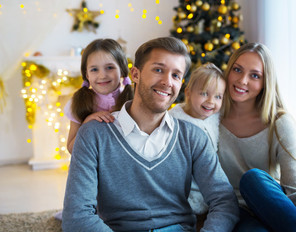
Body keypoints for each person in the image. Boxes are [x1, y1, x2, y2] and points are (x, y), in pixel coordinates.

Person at [62, 37, 239, 232]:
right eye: (158, 70)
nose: (167, 82)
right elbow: (76, 216)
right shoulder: (93, 134)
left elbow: (224, 202)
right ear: (135, 74)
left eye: (176, 75)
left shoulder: (193, 138)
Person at [218, 42, 296, 232]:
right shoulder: (210, 119)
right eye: (237, 70)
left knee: (252, 178)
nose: (242, 80)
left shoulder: (280, 123)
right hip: (236, 211)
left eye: (254, 75)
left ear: (265, 82)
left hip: (271, 203)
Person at [169, 63, 226, 217]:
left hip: (208, 189)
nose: (211, 101)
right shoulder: (175, 120)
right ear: (188, 92)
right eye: (204, 93)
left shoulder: (215, 117)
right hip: (183, 193)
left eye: (218, 96)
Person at [64, 38, 134, 153]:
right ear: (87, 74)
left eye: (109, 67)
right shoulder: (78, 102)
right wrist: (87, 123)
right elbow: (72, 149)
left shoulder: (133, 100)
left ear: (121, 70)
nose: (102, 75)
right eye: (94, 69)